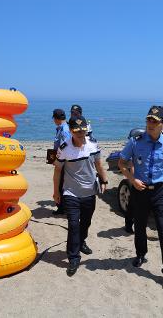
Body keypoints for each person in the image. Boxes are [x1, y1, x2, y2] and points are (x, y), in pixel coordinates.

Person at [118, 105, 163, 283]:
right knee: (140, 226)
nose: (150, 124)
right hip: (140, 190)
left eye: (155, 121)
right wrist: (132, 180)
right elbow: (122, 163)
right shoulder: (135, 142)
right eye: (148, 120)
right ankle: (140, 254)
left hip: (160, 191)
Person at [53, 115, 108, 276]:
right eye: (77, 131)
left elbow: (99, 164)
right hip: (70, 193)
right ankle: (73, 257)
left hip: (89, 192)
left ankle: (82, 241)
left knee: (85, 222)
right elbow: (57, 170)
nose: (81, 134)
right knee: (73, 224)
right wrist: (56, 192)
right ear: (70, 131)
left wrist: (104, 180)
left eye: (83, 131)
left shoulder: (93, 145)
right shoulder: (64, 148)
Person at [50, 109, 72, 215]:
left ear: (56, 118)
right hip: (62, 159)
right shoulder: (62, 128)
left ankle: (62, 208)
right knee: (61, 183)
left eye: (54, 118)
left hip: (63, 161)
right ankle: (62, 207)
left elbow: (64, 146)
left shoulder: (64, 129)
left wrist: (58, 160)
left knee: (61, 184)